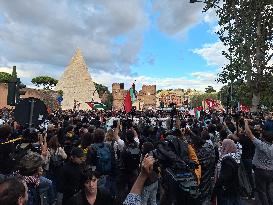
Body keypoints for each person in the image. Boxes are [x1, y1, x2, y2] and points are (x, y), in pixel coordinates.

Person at [245, 119, 273, 205]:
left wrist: (246, 123)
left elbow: (249, 134)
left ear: (264, 139)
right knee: (268, 189)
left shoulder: (261, 145)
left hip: (261, 171)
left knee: (261, 192)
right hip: (271, 171)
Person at [213, 139, 241, 205]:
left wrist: (217, 187)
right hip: (234, 186)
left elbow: (224, 176)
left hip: (226, 188)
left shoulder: (227, 159)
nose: (222, 146)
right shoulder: (236, 155)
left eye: (223, 145)